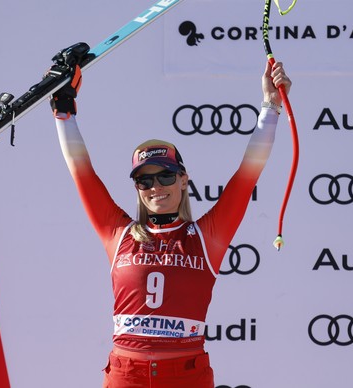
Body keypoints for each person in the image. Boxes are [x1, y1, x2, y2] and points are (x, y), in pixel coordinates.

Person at [50, 57, 291, 387]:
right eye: (145, 182)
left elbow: (247, 175)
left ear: (183, 180)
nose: (155, 188)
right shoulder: (119, 233)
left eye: (165, 177)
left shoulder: (206, 237)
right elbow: (82, 173)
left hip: (185, 375)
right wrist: (64, 112)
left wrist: (271, 106)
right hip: (125, 374)